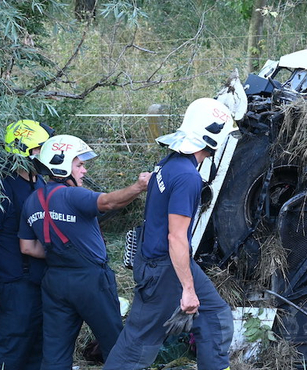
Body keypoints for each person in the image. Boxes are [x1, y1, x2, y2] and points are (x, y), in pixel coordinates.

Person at [103, 98, 236, 370]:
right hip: (164, 269)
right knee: (138, 344)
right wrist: (188, 290)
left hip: (160, 260)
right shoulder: (188, 177)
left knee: (215, 316)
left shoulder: (169, 163)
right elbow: (176, 237)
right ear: (214, 137)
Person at [18, 134, 150, 370]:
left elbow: (27, 247)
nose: (84, 171)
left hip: (55, 280)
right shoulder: (73, 195)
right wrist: (139, 187)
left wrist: (60, 255)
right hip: (90, 280)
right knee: (115, 346)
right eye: (79, 165)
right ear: (61, 165)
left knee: (55, 353)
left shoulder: (31, 200)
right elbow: (109, 203)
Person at [0, 119, 54, 370]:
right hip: (14, 283)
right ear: (24, 150)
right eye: (39, 148)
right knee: (11, 347)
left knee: (36, 347)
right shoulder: (1, 186)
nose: (45, 153)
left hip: (39, 281)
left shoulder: (39, 182)